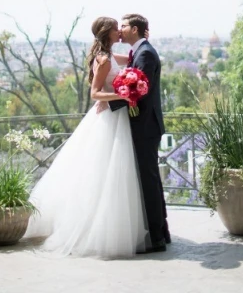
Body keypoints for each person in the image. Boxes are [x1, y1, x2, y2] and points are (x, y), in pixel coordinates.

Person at [24, 16, 148, 258]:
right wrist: (122, 95)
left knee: (114, 174)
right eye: (116, 29)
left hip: (117, 117)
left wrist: (136, 71)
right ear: (107, 32)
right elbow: (95, 93)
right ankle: (97, 231)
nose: (119, 33)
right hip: (109, 117)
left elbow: (131, 62)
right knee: (103, 173)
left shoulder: (109, 55)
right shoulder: (103, 59)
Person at [110, 13, 170, 252]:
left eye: (123, 25)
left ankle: (156, 237)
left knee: (148, 181)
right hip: (145, 125)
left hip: (145, 126)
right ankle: (160, 232)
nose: (120, 29)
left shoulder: (144, 53)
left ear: (134, 29)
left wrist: (109, 105)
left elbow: (139, 92)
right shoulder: (139, 51)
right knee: (150, 180)